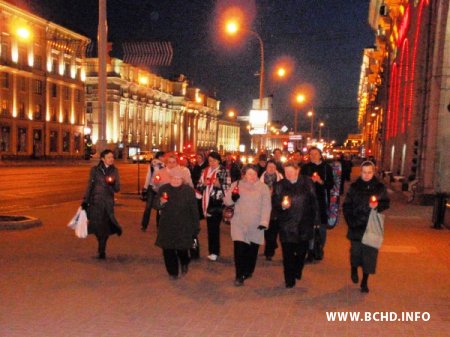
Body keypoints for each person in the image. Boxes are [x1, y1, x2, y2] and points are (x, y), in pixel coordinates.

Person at [343, 161, 389, 293]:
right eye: (364, 172)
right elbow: (347, 205)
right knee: (356, 252)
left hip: (371, 225)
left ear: (373, 172)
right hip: (356, 225)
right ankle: (354, 268)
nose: (367, 175)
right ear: (361, 172)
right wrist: (351, 220)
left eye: (369, 172)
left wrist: (378, 206)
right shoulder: (354, 187)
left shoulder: (379, 187)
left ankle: (365, 281)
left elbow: (386, 202)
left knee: (369, 256)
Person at [272, 161, 320, 288]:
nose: (288, 174)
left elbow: (314, 201)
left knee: (301, 252)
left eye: (291, 172)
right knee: (287, 254)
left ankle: (298, 268)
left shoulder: (307, 182)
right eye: (286, 172)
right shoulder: (279, 185)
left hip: (304, 224)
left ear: (297, 171)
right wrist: (281, 206)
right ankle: (289, 279)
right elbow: (275, 203)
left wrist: (316, 220)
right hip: (287, 225)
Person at [224, 165, 271, 286]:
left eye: (254, 174)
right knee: (239, 249)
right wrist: (233, 198)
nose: (252, 176)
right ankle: (239, 275)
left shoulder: (263, 187)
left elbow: (266, 206)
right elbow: (226, 201)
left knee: (252, 250)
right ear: (244, 174)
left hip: (256, 224)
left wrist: (264, 221)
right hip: (239, 222)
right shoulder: (237, 184)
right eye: (249, 174)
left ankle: (248, 270)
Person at [155, 167, 200, 279]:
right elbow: (155, 205)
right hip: (167, 224)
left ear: (183, 180)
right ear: (170, 178)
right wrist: (161, 202)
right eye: (173, 178)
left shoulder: (188, 191)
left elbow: (194, 209)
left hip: (184, 225)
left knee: (182, 249)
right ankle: (172, 272)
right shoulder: (164, 189)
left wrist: (195, 226)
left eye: (178, 179)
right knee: (168, 249)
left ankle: (184, 262)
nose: (175, 180)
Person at [82, 149, 122, 260]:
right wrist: (86, 201)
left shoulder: (115, 171)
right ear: (103, 159)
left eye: (112, 157)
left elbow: (117, 188)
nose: (112, 159)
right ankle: (101, 243)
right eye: (109, 157)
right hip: (96, 203)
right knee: (96, 227)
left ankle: (101, 250)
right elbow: (90, 186)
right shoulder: (95, 170)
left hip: (107, 204)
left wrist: (112, 183)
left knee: (105, 227)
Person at [301, 147, 334, 262]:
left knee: (321, 227)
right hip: (308, 201)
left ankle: (319, 249)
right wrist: (310, 180)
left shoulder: (326, 167)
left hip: (322, 201)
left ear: (320, 155)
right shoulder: (305, 167)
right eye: (311, 154)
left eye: (315, 154)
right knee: (309, 227)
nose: (313, 156)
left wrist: (320, 181)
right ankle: (309, 252)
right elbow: (301, 182)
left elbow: (331, 184)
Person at [196, 152, 229, 261]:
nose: (212, 163)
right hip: (206, 201)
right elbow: (199, 186)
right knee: (210, 227)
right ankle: (213, 251)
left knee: (214, 227)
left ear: (219, 160)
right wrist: (204, 184)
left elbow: (228, 187)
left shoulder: (223, 171)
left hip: (217, 203)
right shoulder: (205, 171)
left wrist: (220, 186)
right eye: (210, 160)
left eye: (214, 160)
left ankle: (215, 251)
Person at [260, 160, 284, 260]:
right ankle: (271, 246)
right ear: (266, 167)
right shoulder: (261, 178)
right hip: (264, 207)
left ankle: (269, 252)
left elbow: (284, 192)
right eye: (269, 166)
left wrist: (274, 194)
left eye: (273, 167)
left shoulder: (280, 179)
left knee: (273, 230)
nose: (271, 169)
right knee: (266, 230)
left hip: (275, 208)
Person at [140, 151, 165, 232]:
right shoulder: (153, 164)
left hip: (161, 188)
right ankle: (144, 225)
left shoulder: (166, 165)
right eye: (160, 156)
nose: (162, 158)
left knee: (159, 207)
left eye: (163, 157)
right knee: (148, 207)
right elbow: (148, 176)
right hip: (152, 186)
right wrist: (145, 187)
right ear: (157, 157)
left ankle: (159, 225)